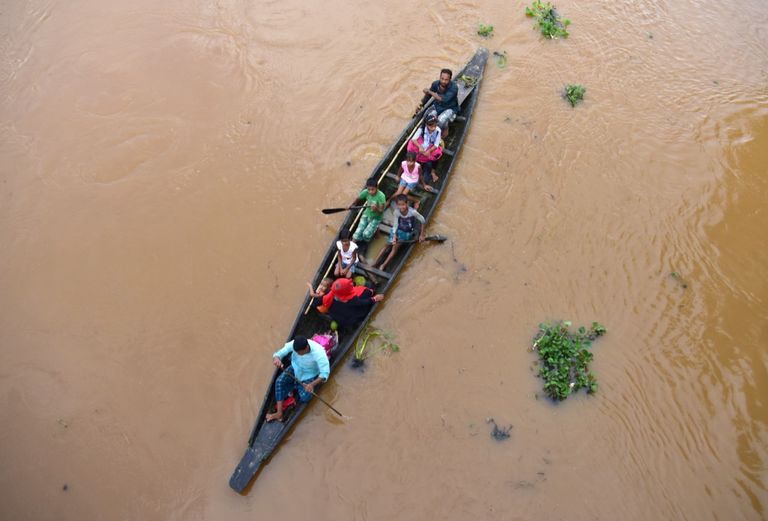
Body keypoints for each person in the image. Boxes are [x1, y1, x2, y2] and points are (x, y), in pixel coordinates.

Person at [266, 336, 330, 422]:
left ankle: (293, 387)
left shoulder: (319, 353)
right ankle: (279, 413)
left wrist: (311, 384)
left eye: (299, 352)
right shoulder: (294, 344)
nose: (297, 353)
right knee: (279, 382)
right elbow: (281, 352)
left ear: (306, 348)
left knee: (305, 397)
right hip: (295, 368)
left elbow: (324, 373)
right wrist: (277, 358)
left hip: (309, 375)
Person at [373, 194, 426, 271]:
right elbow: (395, 225)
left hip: (406, 233)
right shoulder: (396, 212)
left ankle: (383, 265)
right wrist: (394, 236)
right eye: (399, 205)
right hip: (397, 230)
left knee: (394, 248)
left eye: (403, 205)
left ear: (407, 203)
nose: (401, 207)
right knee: (387, 245)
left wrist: (422, 235)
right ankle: (375, 263)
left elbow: (423, 221)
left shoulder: (413, 212)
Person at [351, 178, 387, 261]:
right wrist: (352, 205)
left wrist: (376, 209)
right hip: (367, 214)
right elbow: (358, 198)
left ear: (377, 188)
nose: (370, 191)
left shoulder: (381, 196)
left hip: (376, 217)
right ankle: (353, 246)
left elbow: (381, 211)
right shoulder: (365, 192)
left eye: (372, 189)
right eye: (369, 189)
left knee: (366, 234)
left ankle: (367, 240)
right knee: (357, 234)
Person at [418, 68, 459, 136]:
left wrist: (429, 91)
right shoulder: (435, 84)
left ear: (450, 79)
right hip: (438, 106)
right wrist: (421, 104)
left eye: (446, 80)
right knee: (427, 117)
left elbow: (443, 99)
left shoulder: (454, 87)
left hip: (450, 108)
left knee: (441, 121)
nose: (443, 81)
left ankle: (442, 137)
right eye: (442, 78)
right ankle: (427, 134)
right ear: (440, 77)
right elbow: (428, 96)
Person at [406, 113, 443, 185]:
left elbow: (436, 144)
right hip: (421, 144)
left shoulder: (438, 130)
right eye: (431, 126)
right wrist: (420, 147)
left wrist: (429, 151)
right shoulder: (421, 129)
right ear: (426, 125)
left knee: (437, 155)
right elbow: (414, 139)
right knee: (410, 148)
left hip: (430, 146)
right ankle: (413, 167)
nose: (433, 128)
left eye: (435, 126)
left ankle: (433, 171)